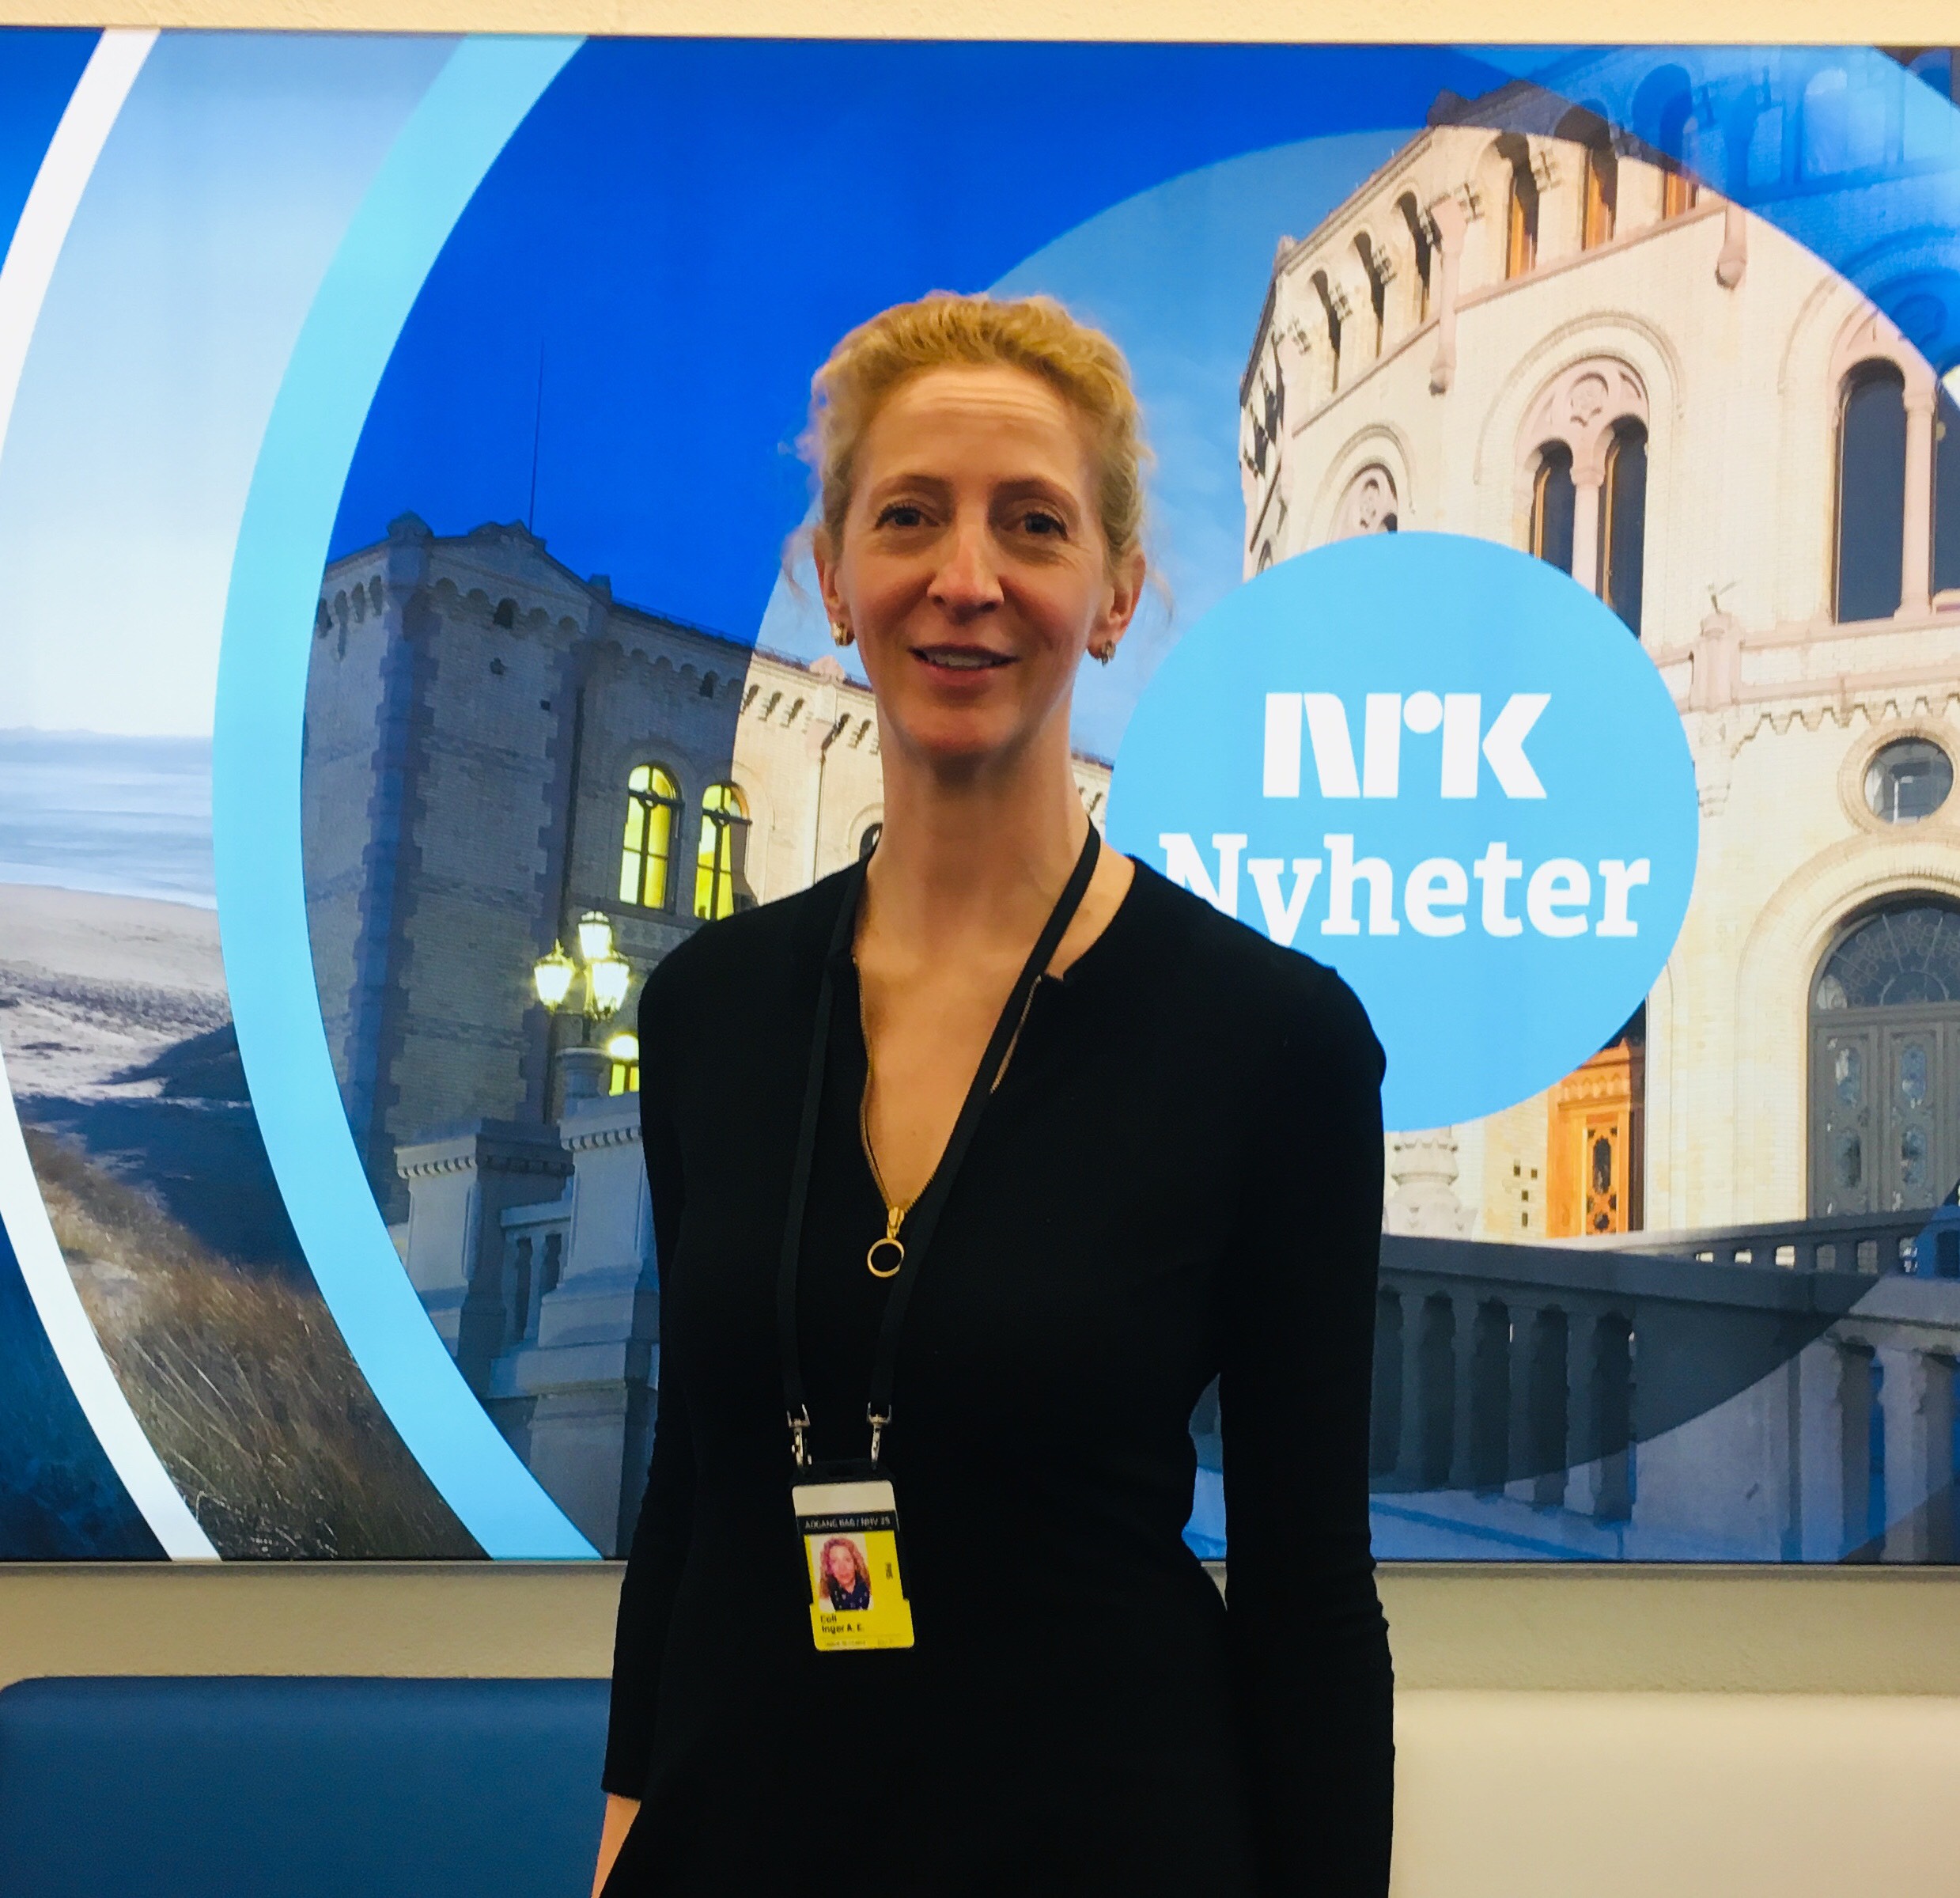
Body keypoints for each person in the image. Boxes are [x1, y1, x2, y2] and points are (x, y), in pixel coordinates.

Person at [592, 292, 1392, 1898]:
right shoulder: (708, 1010)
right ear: (834, 579)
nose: (966, 576)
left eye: (1032, 522)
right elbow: (694, 1489)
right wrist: (623, 1830)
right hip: (740, 1843)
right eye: (909, 516)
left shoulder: (1275, 1039)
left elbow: (1306, 1580)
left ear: (1114, 594)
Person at [817, 1536, 872, 1612]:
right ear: (828, 1568)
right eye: (834, 1561)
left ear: (856, 1564)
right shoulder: (823, 1605)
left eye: (847, 1560)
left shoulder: (873, 1592)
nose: (842, 1567)